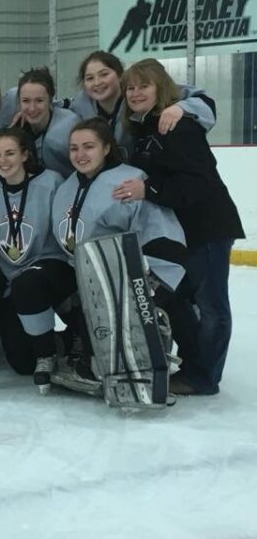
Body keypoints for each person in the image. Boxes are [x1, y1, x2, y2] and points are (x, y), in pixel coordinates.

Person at [120, 59, 244, 396]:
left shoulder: (177, 125)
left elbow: (199, 182)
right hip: (181, 232)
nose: (135, 93)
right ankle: (193, 367)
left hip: (207, 227)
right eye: (130, 87)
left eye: (143, 85)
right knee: (184, 301)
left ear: (160, 87)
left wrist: (150, 190)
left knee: (211, 306)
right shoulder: (144, 129)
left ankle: (203, 377)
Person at [51, 118, 188, 392]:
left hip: (131, 276)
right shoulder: (66, 187)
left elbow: (160, 233)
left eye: (89, 146)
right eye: (74, 148)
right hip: (88, 278)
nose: (80, 154)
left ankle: (147, 351)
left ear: (106, 148)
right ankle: (90, 352)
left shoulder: (130, 180)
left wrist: (151, 285)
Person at [0, 128, 72, 393]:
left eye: (10, 153)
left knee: (28, 284)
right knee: (21, 363)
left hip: (49, 264)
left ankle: (47, 355)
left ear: (25, 154)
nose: (2, 161)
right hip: (12, 278)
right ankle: (66, 341)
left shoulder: (51, 182)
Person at [67, 50, 216, 156]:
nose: (97, 83)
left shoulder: (137, 95)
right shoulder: (80, 104)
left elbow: (201, 98)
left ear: (120, 75)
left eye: (104, 74)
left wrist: (180, 107)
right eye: (89, 78)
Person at [17, 67, 81, 178]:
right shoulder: (16, 129)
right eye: (26, 101)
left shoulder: (68, 128)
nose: (32, 108)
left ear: (51, 100)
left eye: (39, 101)